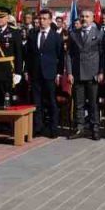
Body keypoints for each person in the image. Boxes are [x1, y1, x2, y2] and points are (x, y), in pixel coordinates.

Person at [24, 8, 65, 138]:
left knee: (51, 101)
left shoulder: (56, 37)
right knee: (37, 102)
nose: (42, 21)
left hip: (50, 74)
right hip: (35, 73)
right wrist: (26, 71)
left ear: (50, 20)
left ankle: (53, 128)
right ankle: (38, 127)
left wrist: (59, 73)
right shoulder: (33, 35)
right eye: (40, 19)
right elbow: (28, 55)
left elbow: (61, 57)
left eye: (44, 19)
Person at [66, 12, 103, 139]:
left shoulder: (98, 33)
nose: (84, 19)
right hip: (77, 73)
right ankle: (79, 127)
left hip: (93, 73)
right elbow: (69, 55)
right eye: (82, 16)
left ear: (93, 18)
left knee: (93, 103)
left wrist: (101, 71)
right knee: (79, 103)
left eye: (87, 16)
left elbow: (102, 54)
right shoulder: (74, 33)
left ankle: (95, 128)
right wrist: (70, 72)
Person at [0, 6, 24, 107]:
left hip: (6, 70)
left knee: (6, 99)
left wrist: (18, 72)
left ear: (7, 18)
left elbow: (19, 54)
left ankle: (6, 123)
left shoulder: (15, 32)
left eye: (2, 17)